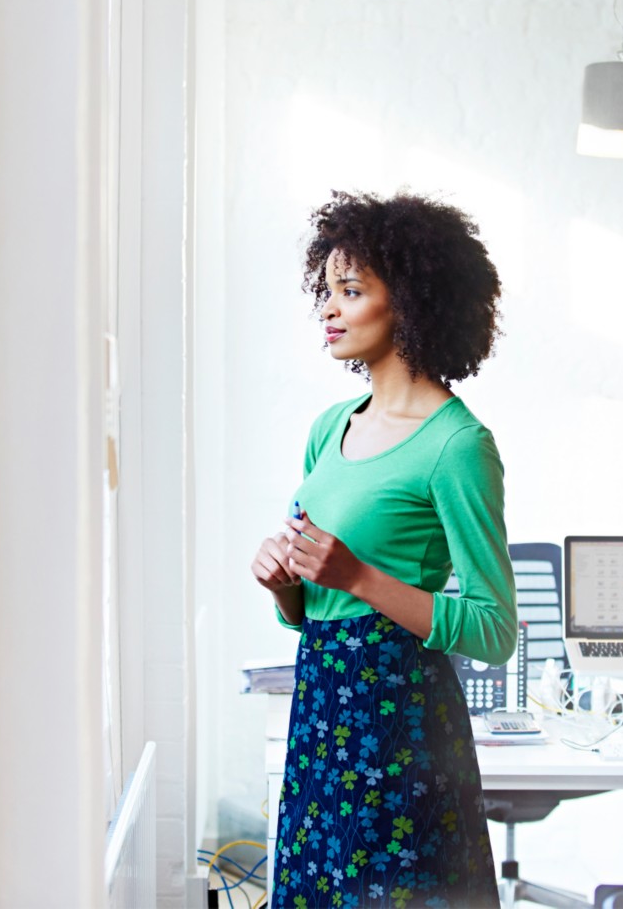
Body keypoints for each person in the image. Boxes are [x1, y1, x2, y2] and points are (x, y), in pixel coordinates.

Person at [252, 190, 515, 909]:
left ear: (412, 301)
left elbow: (494, 630)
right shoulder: (329, 427)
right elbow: (311, 609)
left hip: (401, 720)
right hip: (321, 710)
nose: (330, 309)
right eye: (327, 291)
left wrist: (360, 577)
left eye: (353, 290)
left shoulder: (458, 446)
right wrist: (283, 583)